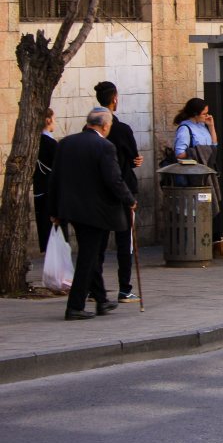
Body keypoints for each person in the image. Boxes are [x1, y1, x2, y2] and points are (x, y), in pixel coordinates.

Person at [48, 108, 136, 320]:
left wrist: (54, 209)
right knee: (88, 258)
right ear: (104, 126)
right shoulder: (104, 146)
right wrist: (129, 199)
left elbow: (55, 177)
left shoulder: (66, 143)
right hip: (95, 211)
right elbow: (114, 179)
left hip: (72, 209)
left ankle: (101, 299)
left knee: (92, 253)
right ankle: (75, 306)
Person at [94, 82, 144, 302]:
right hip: (122, 189)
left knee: (98, 243)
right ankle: (124, 288)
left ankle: (93, 287)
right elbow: (133, 159)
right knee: (125, 241)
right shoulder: (122, 129)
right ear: (114, 98)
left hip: (99, 192)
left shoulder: (91, 130)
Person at [174, 98, 223, 257]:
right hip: (194, 177)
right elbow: (179, 154)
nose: (207, 116)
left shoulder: (203, 126)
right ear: (195, 114)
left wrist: (211, 127)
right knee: (198, 210)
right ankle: (203, 243)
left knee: (213, 205)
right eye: (204, 113)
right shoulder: (185, 129)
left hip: (206, 172)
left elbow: (214, 146)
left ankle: (218, 242)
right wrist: (198, 155)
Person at [33, 107, 59, 253]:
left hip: (39, 190)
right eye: (54, 119)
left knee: (45, 230)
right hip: (50, 192)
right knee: (54, 232)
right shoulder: (50, 144)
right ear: (48, 120)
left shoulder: (35, 141)